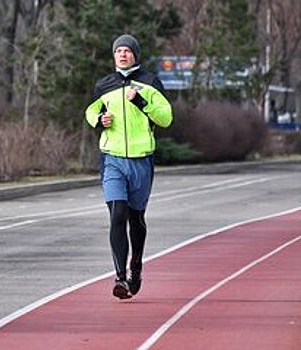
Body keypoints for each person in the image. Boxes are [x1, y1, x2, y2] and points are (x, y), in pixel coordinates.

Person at [85, 34, 173, 299]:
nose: (122, 55)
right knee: (117, 213)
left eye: (127, 51)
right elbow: (90, 112)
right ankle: (120, 278)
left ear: (135, 55)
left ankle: (136, 265)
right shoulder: (105, 85)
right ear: (114, 56)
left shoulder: (149, 83)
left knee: (135, 219)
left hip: (141, 160)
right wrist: (100, 119)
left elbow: (166, 118)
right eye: (118, 51)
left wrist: (141, 102)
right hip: (112, 159)